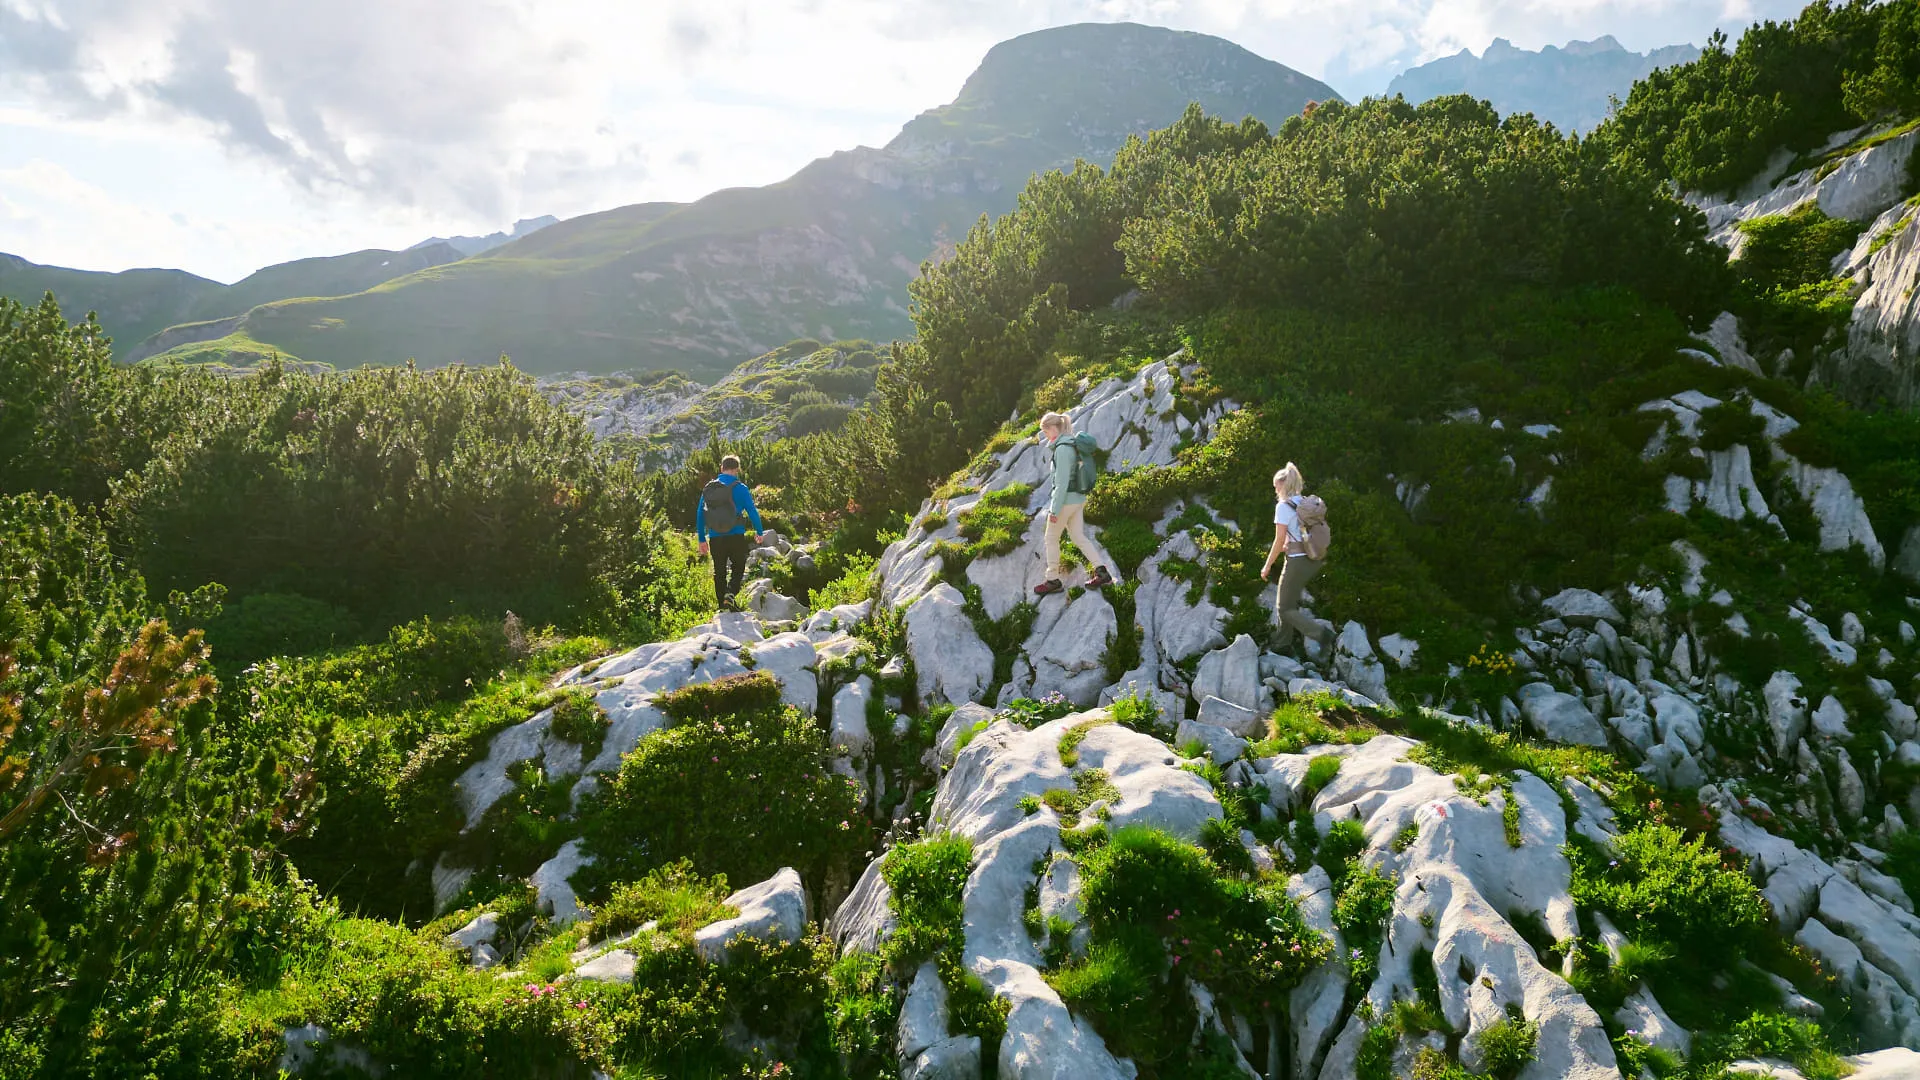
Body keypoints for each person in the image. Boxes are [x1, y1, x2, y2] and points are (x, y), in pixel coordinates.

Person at [1033, 412, 1118, 596]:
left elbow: (1062, 483)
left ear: (1053, 428)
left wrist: (1054, 510)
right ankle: (1102, 573)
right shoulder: (1071, 442)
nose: (1045, 436)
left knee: (1051, 538)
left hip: (1066, 501)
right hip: (1077, 500)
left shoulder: (1063, 449)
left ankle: (1052, 580)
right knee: (1079, 537)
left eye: (1045, 431)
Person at [1259, 462, 1330, 654]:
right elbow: (1297, 533)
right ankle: (1283, 645)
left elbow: (1278, 538)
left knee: (1283, 608)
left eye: (1276, 485)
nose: (1275, 489)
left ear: (1284, 485)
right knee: (1288, 603)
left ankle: (1322, 634)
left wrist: (1267, 565)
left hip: (1297, 561)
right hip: (1312, 558)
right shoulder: (1303, 502)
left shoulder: (1283, 506)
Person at [696, 455, 763, 610]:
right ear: (736, 469)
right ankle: (731, 593)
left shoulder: (709, 488)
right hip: (736, 535)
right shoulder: (740, 488)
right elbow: (752, 511)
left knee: (719, 571)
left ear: (722, 468)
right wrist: (759, 531)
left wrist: (701, 538)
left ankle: (722, 605)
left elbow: (700, 513)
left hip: (715, 537)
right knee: (738, 566)